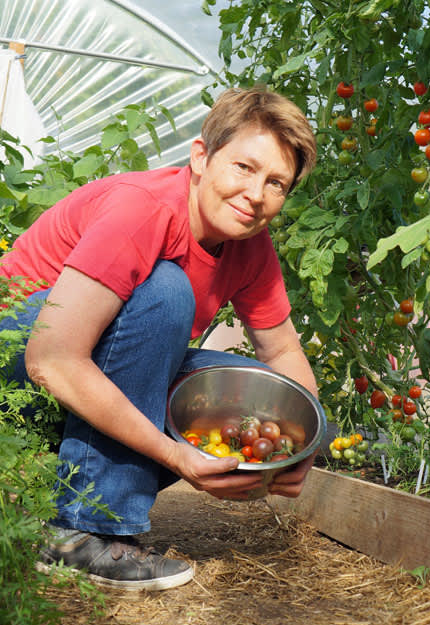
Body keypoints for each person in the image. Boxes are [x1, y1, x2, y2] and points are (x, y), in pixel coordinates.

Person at [0, 87, 321, 591]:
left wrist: (301, 447)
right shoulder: (144, 210)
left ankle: (78, 505)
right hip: (16, 360)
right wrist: (176, 458)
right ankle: (83, 534)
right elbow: (53, 358)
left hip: (77, 372)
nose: (256, 193)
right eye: (243, 167)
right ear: (200, 157)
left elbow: (282, 352)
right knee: (165, 289)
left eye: (276, 182)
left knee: (258, 390)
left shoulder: (250, 248)